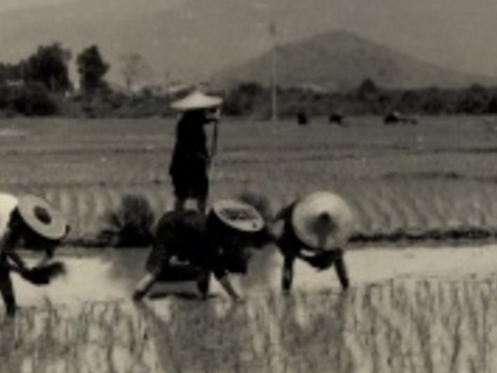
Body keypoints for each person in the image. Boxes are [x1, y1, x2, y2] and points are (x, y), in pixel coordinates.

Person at [132, 199, 267, 302]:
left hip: (178, 225)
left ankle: (203, 295)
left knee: (207, 264)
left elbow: (216, 268)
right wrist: (235, 297)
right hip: (169, 228)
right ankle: (135, 300)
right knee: (155, 272)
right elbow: (219, 270)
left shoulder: (211, 232)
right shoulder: (208, 237)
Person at [273, 191, 353, 293]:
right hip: (294, 237)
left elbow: (338, 237)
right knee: (289, 258)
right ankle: (286, 289)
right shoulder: (297, 208)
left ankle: (345, 285)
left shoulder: (333, 222)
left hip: (318, 242)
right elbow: (278, 217)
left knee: (337, 254)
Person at [168, 90, 223, 213]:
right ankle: (199, 218)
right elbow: (192, 147)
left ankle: (180, 217)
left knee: (181, 195)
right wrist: (204, 157)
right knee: (197, 194)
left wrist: (214, 118)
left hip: (182, 164)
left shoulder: (185, 122)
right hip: (189, 165)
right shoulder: (190, 125)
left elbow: (204, 120)